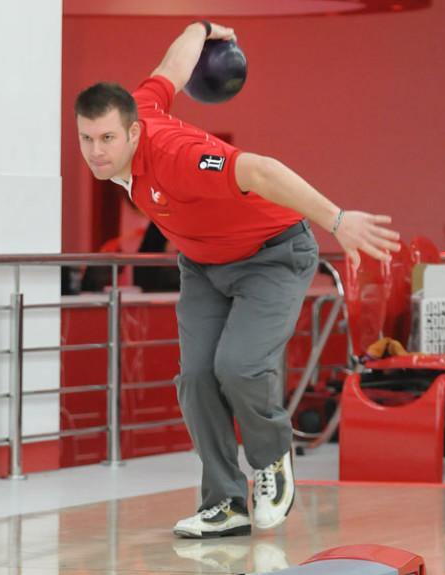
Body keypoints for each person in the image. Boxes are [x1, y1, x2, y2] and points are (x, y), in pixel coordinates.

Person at [74, 21, 401, 538]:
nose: (97, 151)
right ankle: (225, 502)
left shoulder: (177, 158)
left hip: (273, 255)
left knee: (240, 367)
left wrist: (338, 219)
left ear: (133, 132)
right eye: (87, 139)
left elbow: (262, 171)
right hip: (203, 265)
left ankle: (272, 461)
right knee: (198, 378)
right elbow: (171, 68)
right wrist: (201, 27)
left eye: (108, 138)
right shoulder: (140, 106)